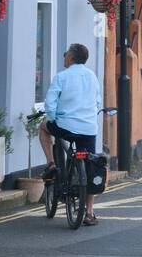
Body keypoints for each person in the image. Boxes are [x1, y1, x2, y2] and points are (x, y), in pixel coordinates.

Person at [38, 42, 103, 226]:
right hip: (89, 129)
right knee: (90, 167)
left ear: (71, 58)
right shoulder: (92, 77)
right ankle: (89, 213)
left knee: (43, 128)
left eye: (65, 53)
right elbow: (97, 103)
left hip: (65, 127)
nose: (64, 56)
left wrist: (52, 118)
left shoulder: (62, 77)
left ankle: (51, 164)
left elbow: (50, 104)